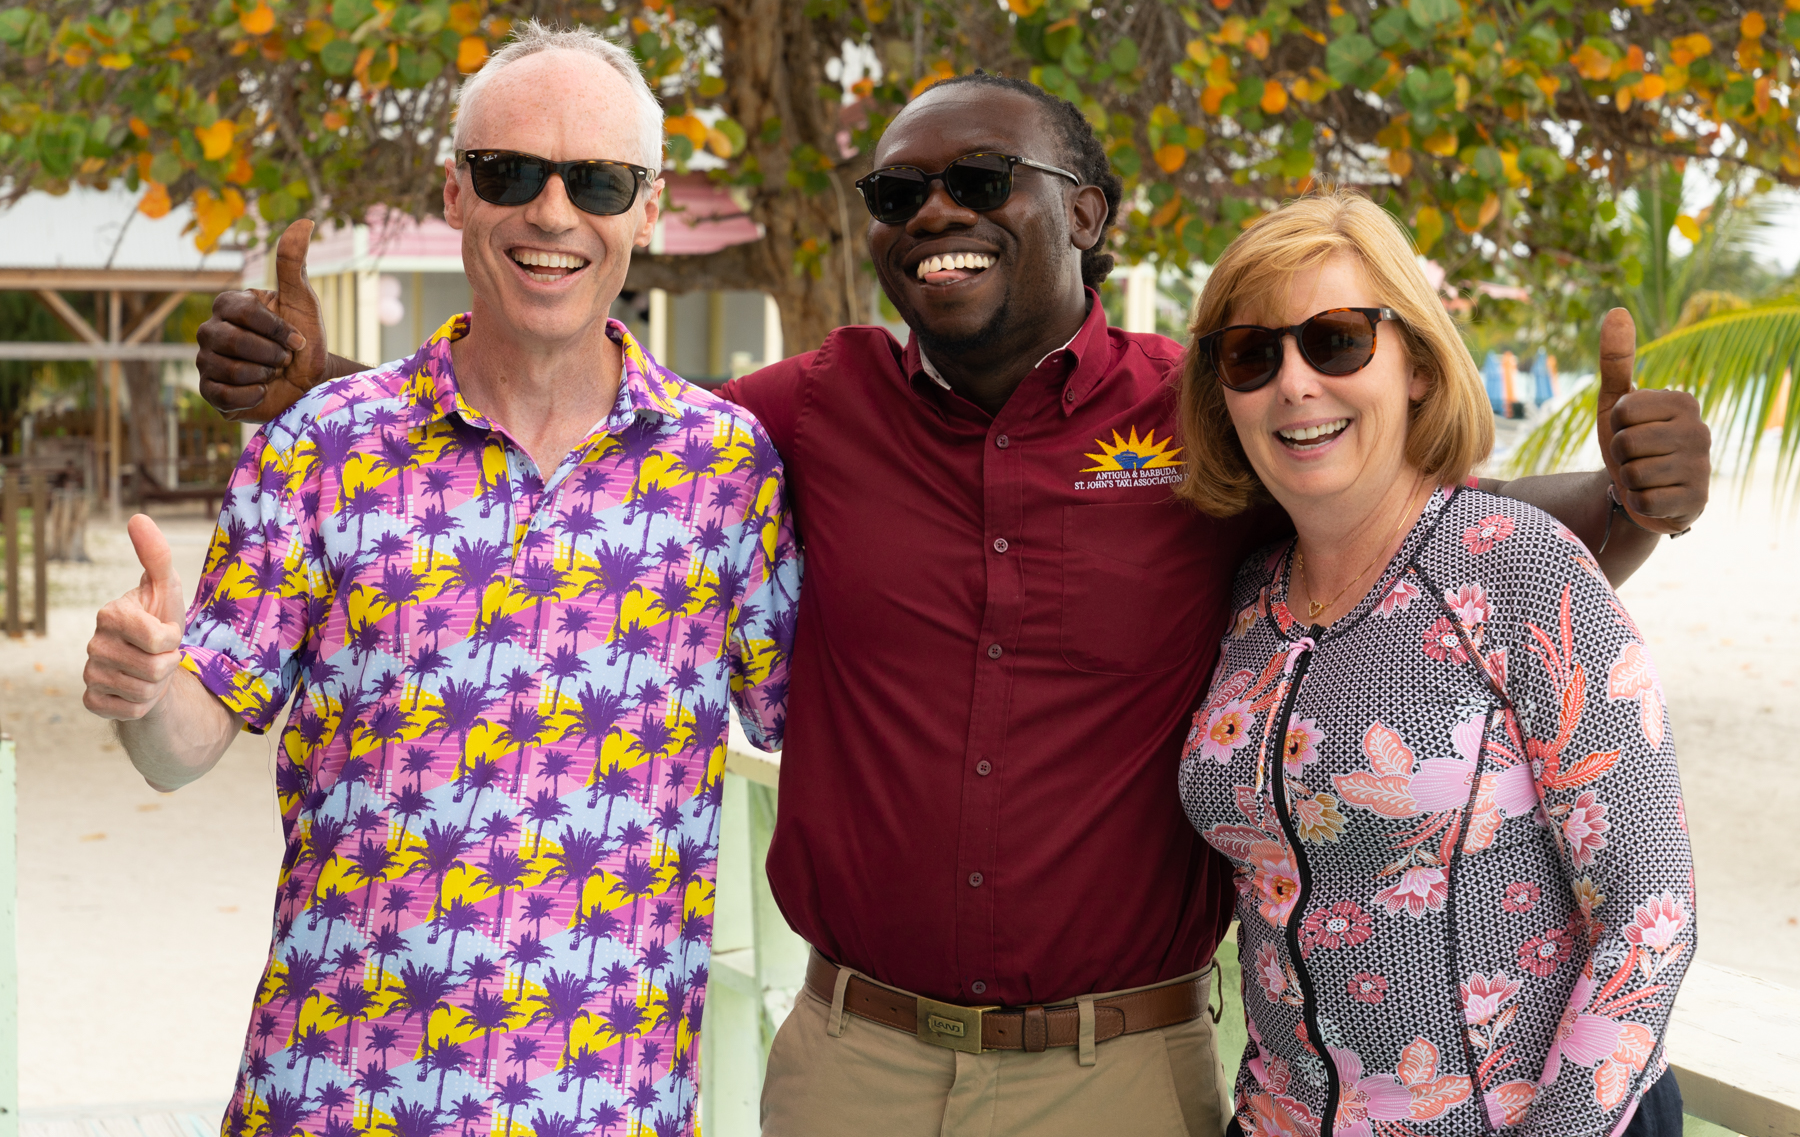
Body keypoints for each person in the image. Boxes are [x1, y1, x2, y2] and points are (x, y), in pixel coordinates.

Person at [191, 69, 1711, 1136]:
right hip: (849, 1060)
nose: (934, 214)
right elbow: (587, 438)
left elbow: (1413, 533)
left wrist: (1631, 497)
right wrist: (327, 393)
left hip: (1113, 1078)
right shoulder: (800, 414)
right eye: (899, 191)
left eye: (980, 184)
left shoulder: (1211, 414)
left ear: (1093, 214)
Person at [80, 22, 799, 1137]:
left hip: (612, 1107)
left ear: (647, 211)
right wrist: (141, 685)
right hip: (333, 1100)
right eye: (511, 174)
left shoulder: (728, 469)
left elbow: (822, 719)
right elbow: (182, 749)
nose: (553, 215)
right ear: (455, 193)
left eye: (599, 181)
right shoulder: (322, 443)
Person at [1174, 190, 1692, 1137]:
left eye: (1335, 341)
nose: (1293, 383)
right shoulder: (1248, 599)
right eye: (1251, 355)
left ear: (1414, 364)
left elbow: (1648, 912)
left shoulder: (1518, 566)